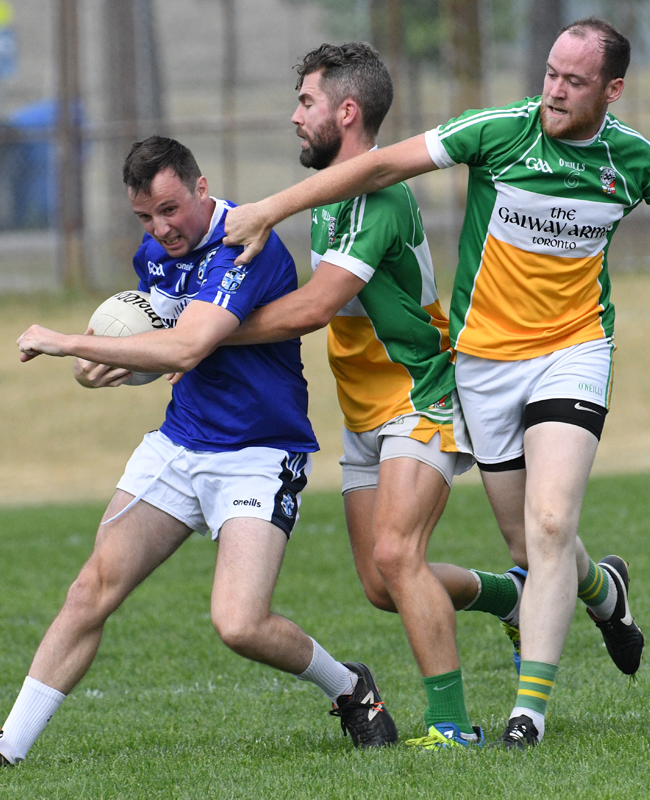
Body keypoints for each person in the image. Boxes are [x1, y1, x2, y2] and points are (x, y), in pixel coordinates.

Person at [223, 18, 650, 750]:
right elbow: (381, 167)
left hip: (575, 350)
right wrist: (270, 207)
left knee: (547, 524)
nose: (554, 91)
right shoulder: (500, 131)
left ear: (613, 89)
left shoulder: (631, 160)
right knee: (527, 536)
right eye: (549, 73)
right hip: (484, 363)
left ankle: (525, 717)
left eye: (574, 82)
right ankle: (603, 591)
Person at [0, 136, 399, 770]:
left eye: (171, 209)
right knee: (91, 588)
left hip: (259, 453)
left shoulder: (244, 244)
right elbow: (158, 347)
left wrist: (68, 342)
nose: (161, 229)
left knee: (240, 624)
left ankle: (348, 687)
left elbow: (185, 346)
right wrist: (101, 365)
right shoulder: (153, 256)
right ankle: (6, 747)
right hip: (179, 445)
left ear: (201, 188)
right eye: (145, 217)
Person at [222, 42, 530, 750]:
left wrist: (204, 337)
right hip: (365, 414)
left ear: (347, 111)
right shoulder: (332, 196)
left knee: (398, 555)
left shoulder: (376, 199)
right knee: (379, 583)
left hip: (420, 397)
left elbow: (312, 309)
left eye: (306, 102)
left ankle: (452, 728)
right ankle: (511, 594)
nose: (294, 116)